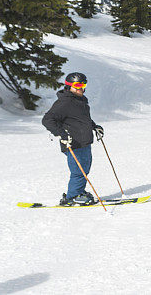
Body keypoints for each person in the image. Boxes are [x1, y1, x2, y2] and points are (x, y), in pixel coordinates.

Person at [41, 72, 104, 205]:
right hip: (72, 142)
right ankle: (73, 196)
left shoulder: (80, 100)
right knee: (79, 170)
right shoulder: (65, 102)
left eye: (83, 85)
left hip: (84, 141)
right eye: (77, 85)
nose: (81, 88)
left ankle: (79, 191)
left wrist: (94, 126)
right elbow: (47, 120)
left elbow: (81, 119)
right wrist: (62, 135)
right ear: (69, 86)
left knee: (84, 169)